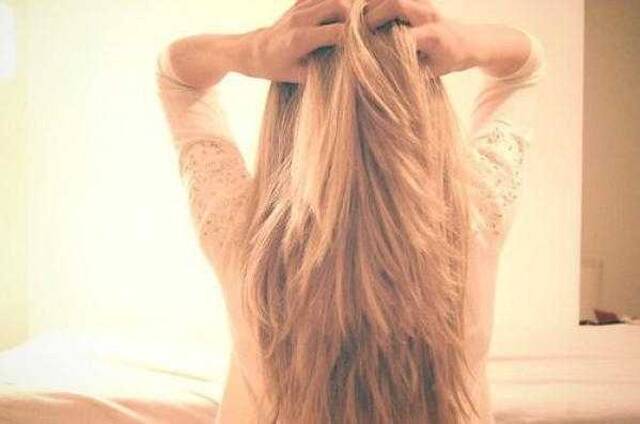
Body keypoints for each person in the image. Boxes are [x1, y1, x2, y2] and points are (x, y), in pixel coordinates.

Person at [156, 0, 546, 422]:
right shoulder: (474, 220)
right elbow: (524, 69)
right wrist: (466, 41)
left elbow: (177, 78)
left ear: (287, 107)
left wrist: (251, 50)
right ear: (422, 103)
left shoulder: (243, 236)